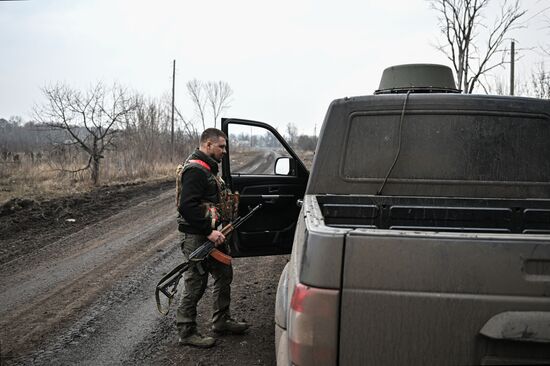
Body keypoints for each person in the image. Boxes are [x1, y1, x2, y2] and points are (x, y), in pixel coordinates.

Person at [176, 128, 248, 348]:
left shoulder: (208, 169)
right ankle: (186, 331)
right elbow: (186, 206)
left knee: (224, 273)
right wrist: (208, 231)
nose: (224, 151)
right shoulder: (196, 171)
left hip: (212, 235)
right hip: (197, 237)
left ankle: (221, 321)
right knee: (196, 283)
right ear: (208, 145)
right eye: (222, 146)